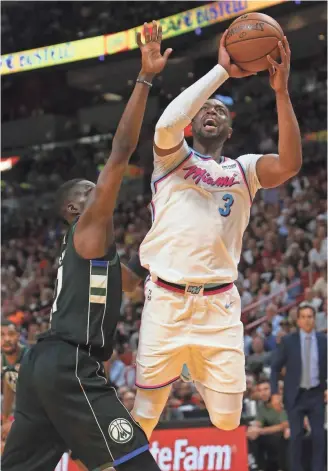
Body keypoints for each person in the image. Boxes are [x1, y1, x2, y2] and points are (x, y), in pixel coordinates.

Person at [2, 21, 172, 471]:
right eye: (88, 193)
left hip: (43, 369)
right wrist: (145, 78)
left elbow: (133, 284)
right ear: (75, 211)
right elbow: (120, 153)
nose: (99, 196)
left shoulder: (91, 252)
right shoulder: (88, 230)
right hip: (69, 365)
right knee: (137, 462)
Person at [132, 31, 302, 439]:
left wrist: (281, 93)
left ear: (229, 129)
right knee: (145, 417)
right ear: (193, 125)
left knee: (226, 420)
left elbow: (291, 163)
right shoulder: (170, 158)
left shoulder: (243, 170)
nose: (211, 111)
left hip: (219, 305)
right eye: (204, 109)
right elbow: (167, 122)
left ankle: (192, 365)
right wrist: (222, 72)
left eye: (220, 112)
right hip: (166, 302)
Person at [270, 304, 327, 471]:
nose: (307, 320)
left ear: (314, 320)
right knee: (296, 436)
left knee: (319, 436)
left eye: (310, 316)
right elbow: (274, 368)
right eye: (303, 317)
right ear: (298, 320)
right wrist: (274, 393)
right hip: (295, 395)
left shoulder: (324, 341)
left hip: (316, 394)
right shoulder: (288, 341)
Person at [247, 379, 289, 471]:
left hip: (285, 435)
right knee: (252, 437)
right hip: (271, 436)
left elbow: (284, 425)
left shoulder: (281, 402)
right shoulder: (262, 406)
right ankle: (258, 467)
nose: (263, 393)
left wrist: (261, 431)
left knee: (285, 435)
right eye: (260, 390)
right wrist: (252, 430)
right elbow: (258, 423)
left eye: (266, 389)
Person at [1, 322, 29, 441]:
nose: (7, 339)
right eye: (2, 335)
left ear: (18, 336)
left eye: (11, 334)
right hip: (8, 410)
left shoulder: (29, 356)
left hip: (28, 410)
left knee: (10, 376)